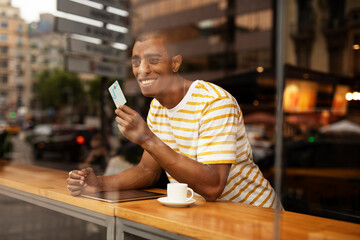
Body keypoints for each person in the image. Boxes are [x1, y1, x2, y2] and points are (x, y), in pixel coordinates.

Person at [67, 32, 282, 209]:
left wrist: (146, 138)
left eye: (153, 60)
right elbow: (146, 172)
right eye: (136, 62)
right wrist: (99, 183)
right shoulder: (157, 108)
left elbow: (213, 187)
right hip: (209, 219)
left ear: (176, 63)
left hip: (256, 217)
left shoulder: (214, 102)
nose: (142, 70)